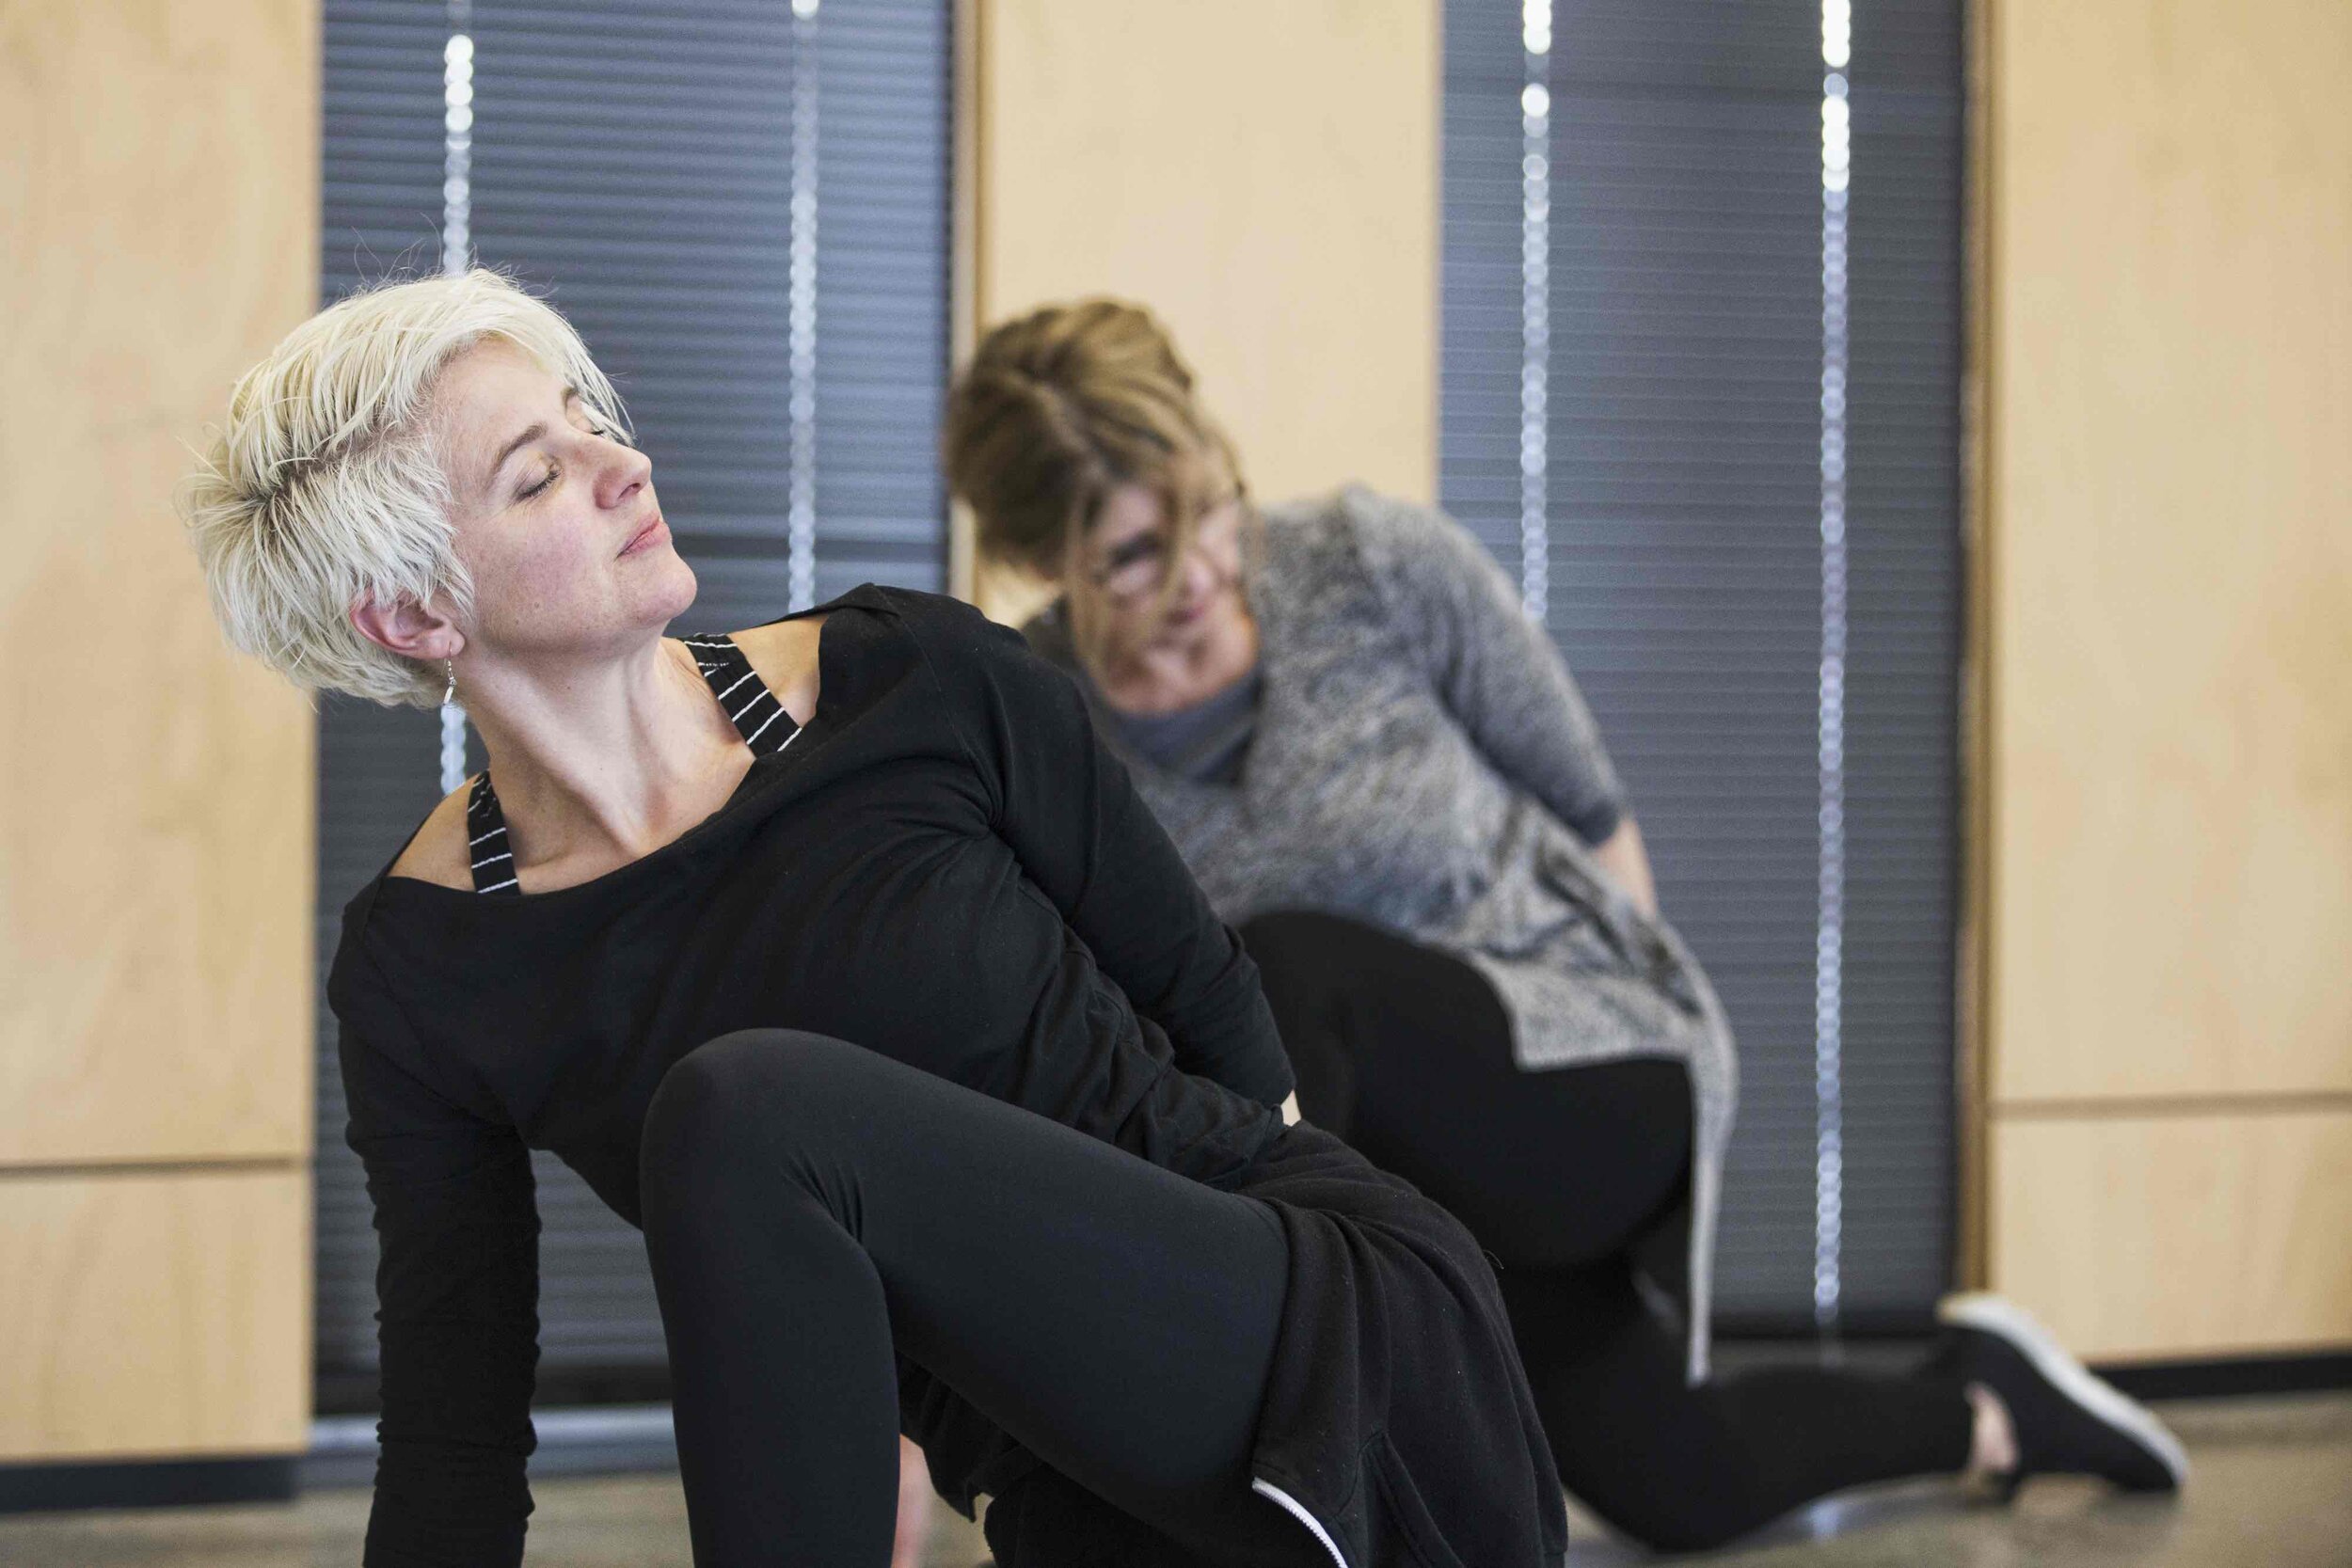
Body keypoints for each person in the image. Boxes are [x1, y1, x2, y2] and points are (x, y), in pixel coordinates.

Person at [180, 269, 1571, 1568]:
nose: (624, 467)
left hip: (1331, 1352)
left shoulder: (918, 681)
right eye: (540, 475)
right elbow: (453, 1429)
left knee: (747, 1108)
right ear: (416, 614)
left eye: (587, 421)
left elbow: (1226, 1034)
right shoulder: (425, 970)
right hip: (1070, 1499)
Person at [943, 297, 2187, 1553]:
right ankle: (1989, 1411)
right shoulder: (1049, 723)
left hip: (1582, 1057)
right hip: (1398, 1173)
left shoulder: (1371, 564)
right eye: (1136, 556)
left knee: (1284, 968)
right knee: (1681, 1482)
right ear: (1045, 562)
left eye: (1208, 504)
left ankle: (1268, 1460)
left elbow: (1599, 825)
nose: (1204, 569)